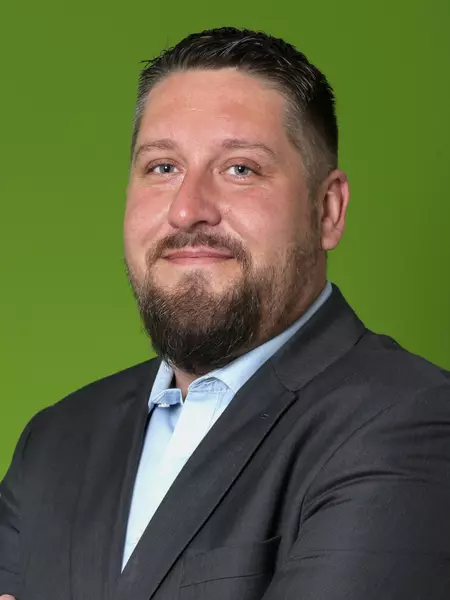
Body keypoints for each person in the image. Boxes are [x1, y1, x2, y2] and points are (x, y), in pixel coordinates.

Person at [1, 26, 449, 600]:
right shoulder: (55, 441)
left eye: (240, 168)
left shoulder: (412, 421)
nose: (187, 209)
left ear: (327, 210)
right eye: (163, 167)